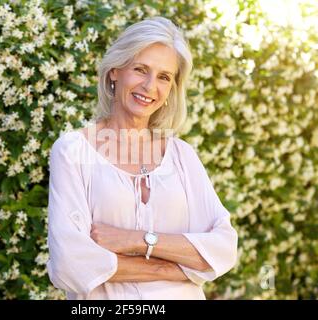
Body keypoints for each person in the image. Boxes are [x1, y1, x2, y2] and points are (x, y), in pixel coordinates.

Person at [47, 16, 238, 300]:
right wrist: (176, 265)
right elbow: (69, 264)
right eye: (140, 69)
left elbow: (223, 248)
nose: (150, 86)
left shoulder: (182, 156)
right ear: (115, 71)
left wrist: (133, 241)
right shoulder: (73, 151)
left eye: (164, 77)